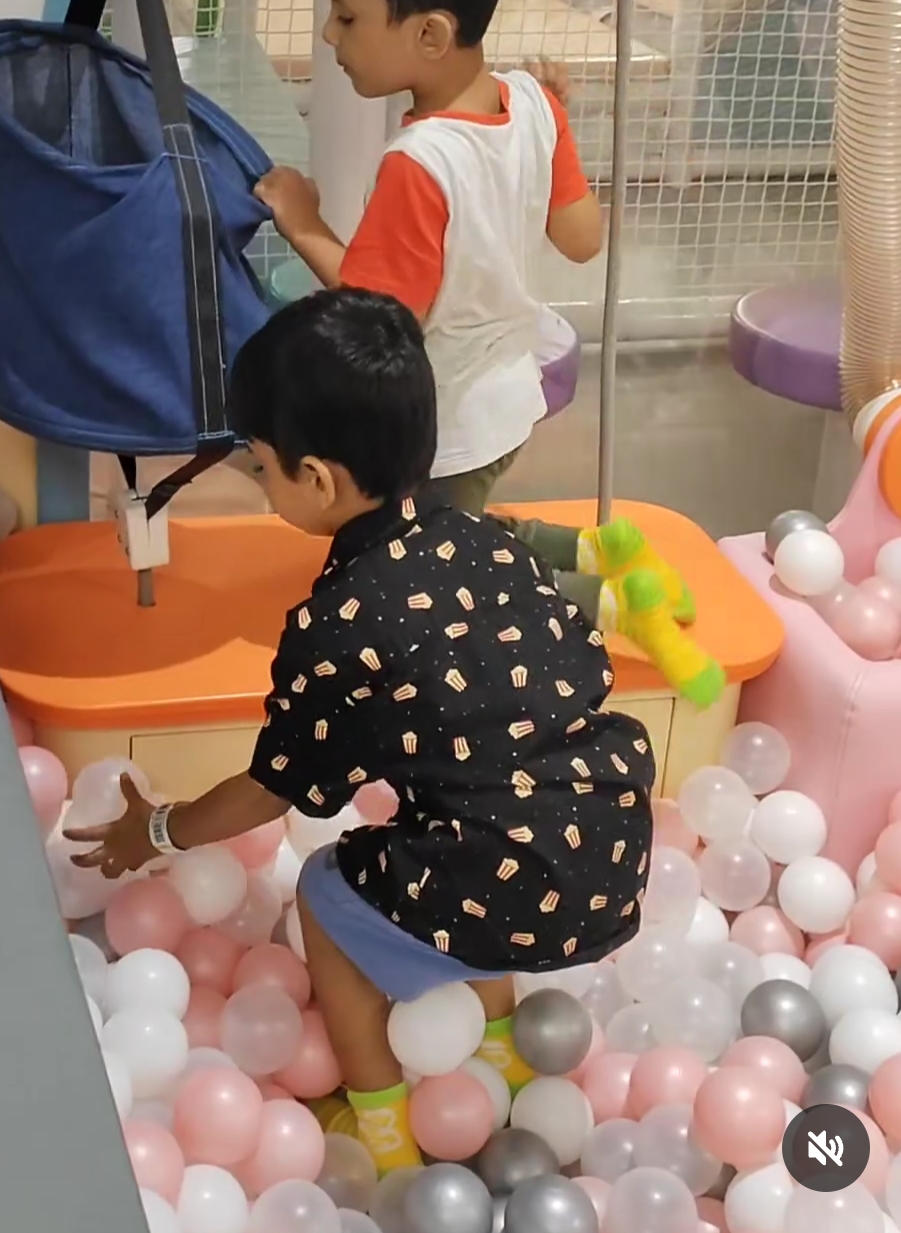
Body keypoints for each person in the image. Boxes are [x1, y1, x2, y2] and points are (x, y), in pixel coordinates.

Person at [67, 290, 655, 1175]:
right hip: (609, 850)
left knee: (324, 887)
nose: (260, 482)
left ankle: (379, 1120)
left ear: (318, 480)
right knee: (482, 814)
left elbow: (270, 789)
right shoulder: (486, 541)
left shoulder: (337, 624)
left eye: (262, 466)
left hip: (514, 889)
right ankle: (499, 1052)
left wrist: (155, 829)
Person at [254, 0, 723, 709]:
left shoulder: (420, 164)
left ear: (429, 33)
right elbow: (582, 238)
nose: (329, 34)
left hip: (446, 428)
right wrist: (556, 135)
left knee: (443, 581)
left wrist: (301, 221)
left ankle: (610, 606)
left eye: (347, 15)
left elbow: (379, 320)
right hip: (509, 399)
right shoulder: (534, 101)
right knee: (459, 528)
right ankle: (602, 549)